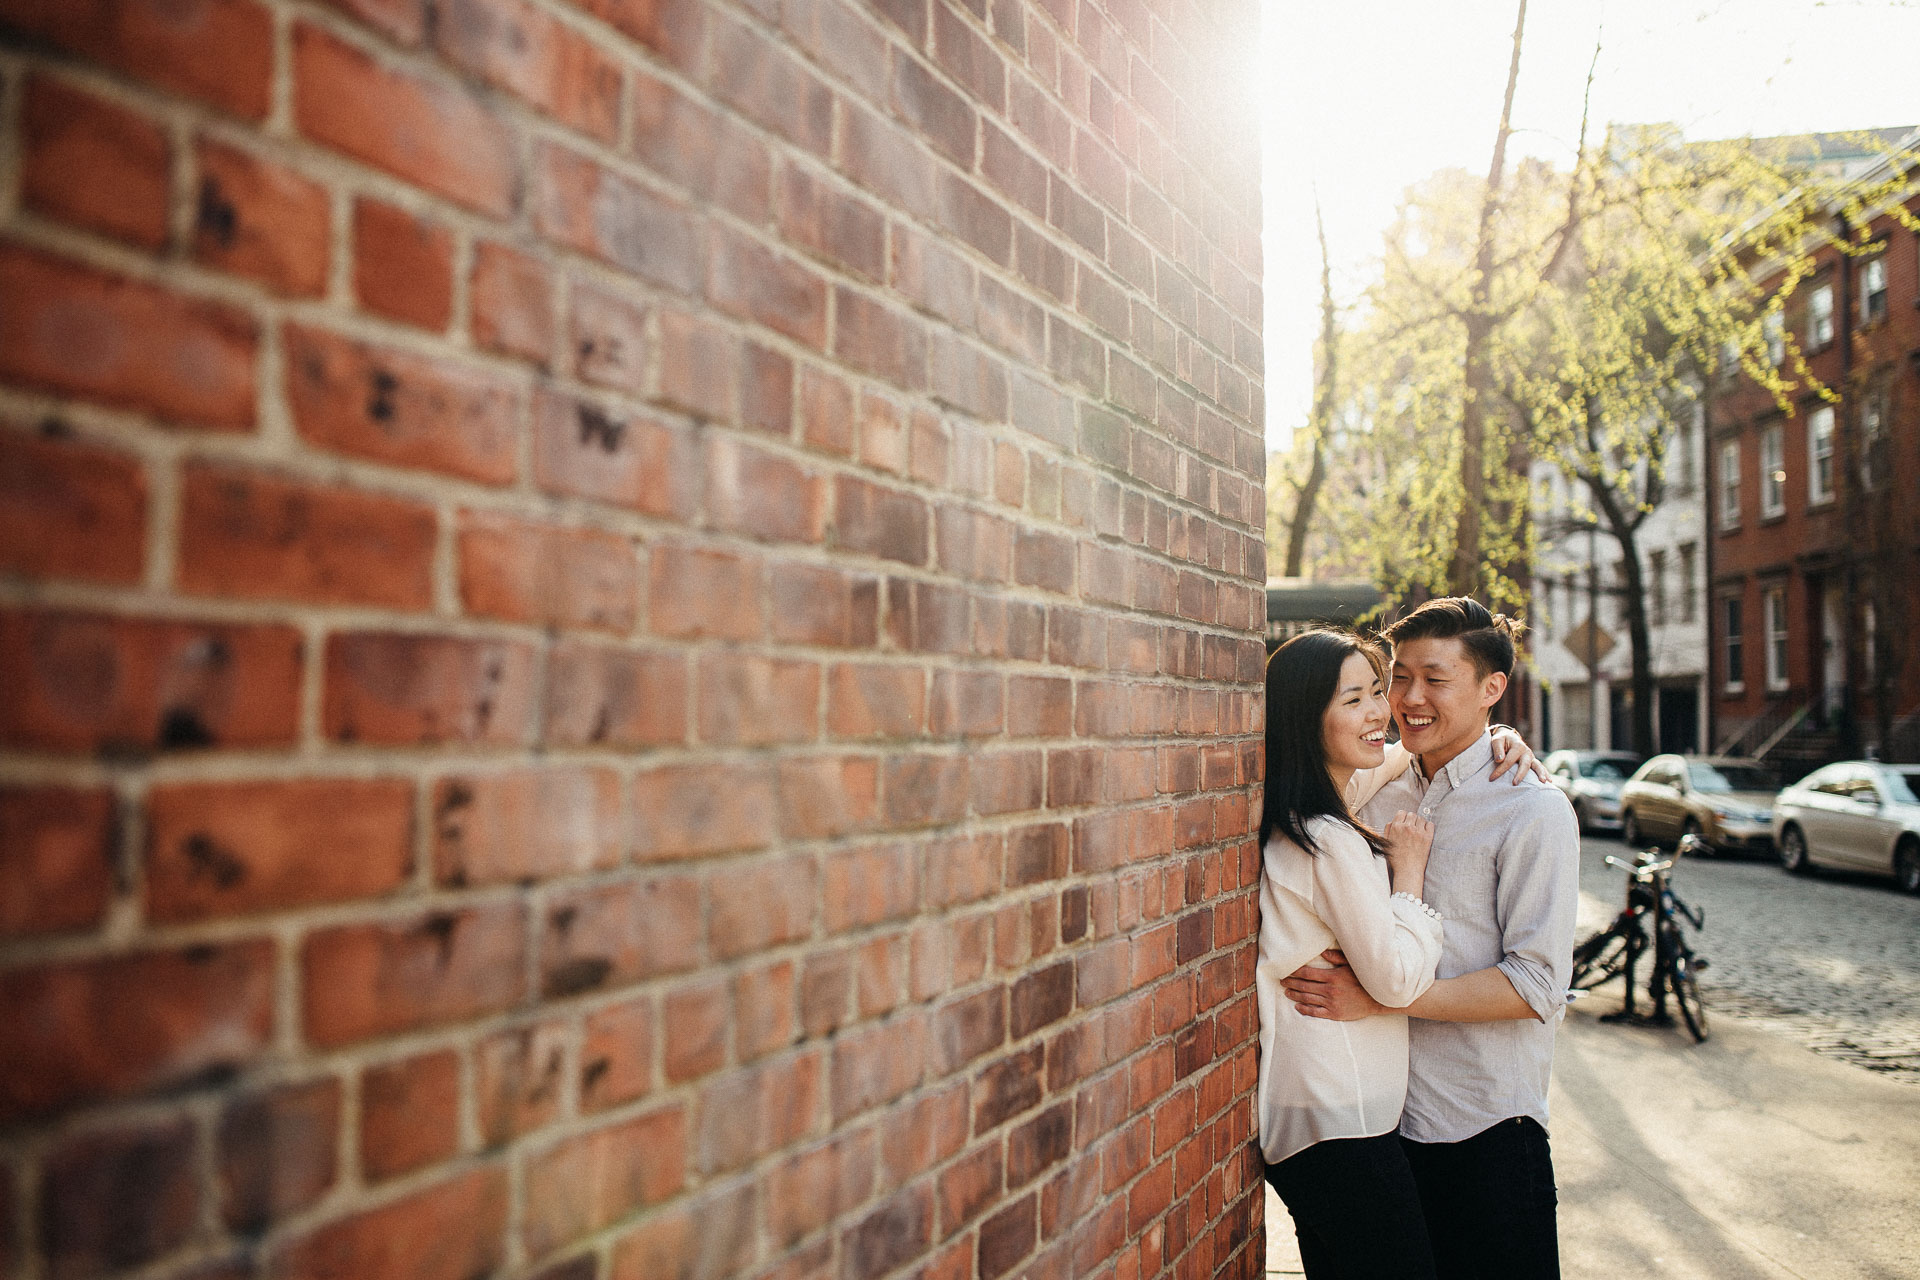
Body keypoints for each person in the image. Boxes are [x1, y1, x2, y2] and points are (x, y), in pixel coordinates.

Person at [1282, 598, 1580, 1280]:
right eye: (1399, 679)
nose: (1409, 699)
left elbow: (1536, 986)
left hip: (1485, 1133)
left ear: (1491, 688)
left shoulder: (1533, 809)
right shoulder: (1372, 792)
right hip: (1379, 1131)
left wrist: (1386, 1000)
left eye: (1435, 680)